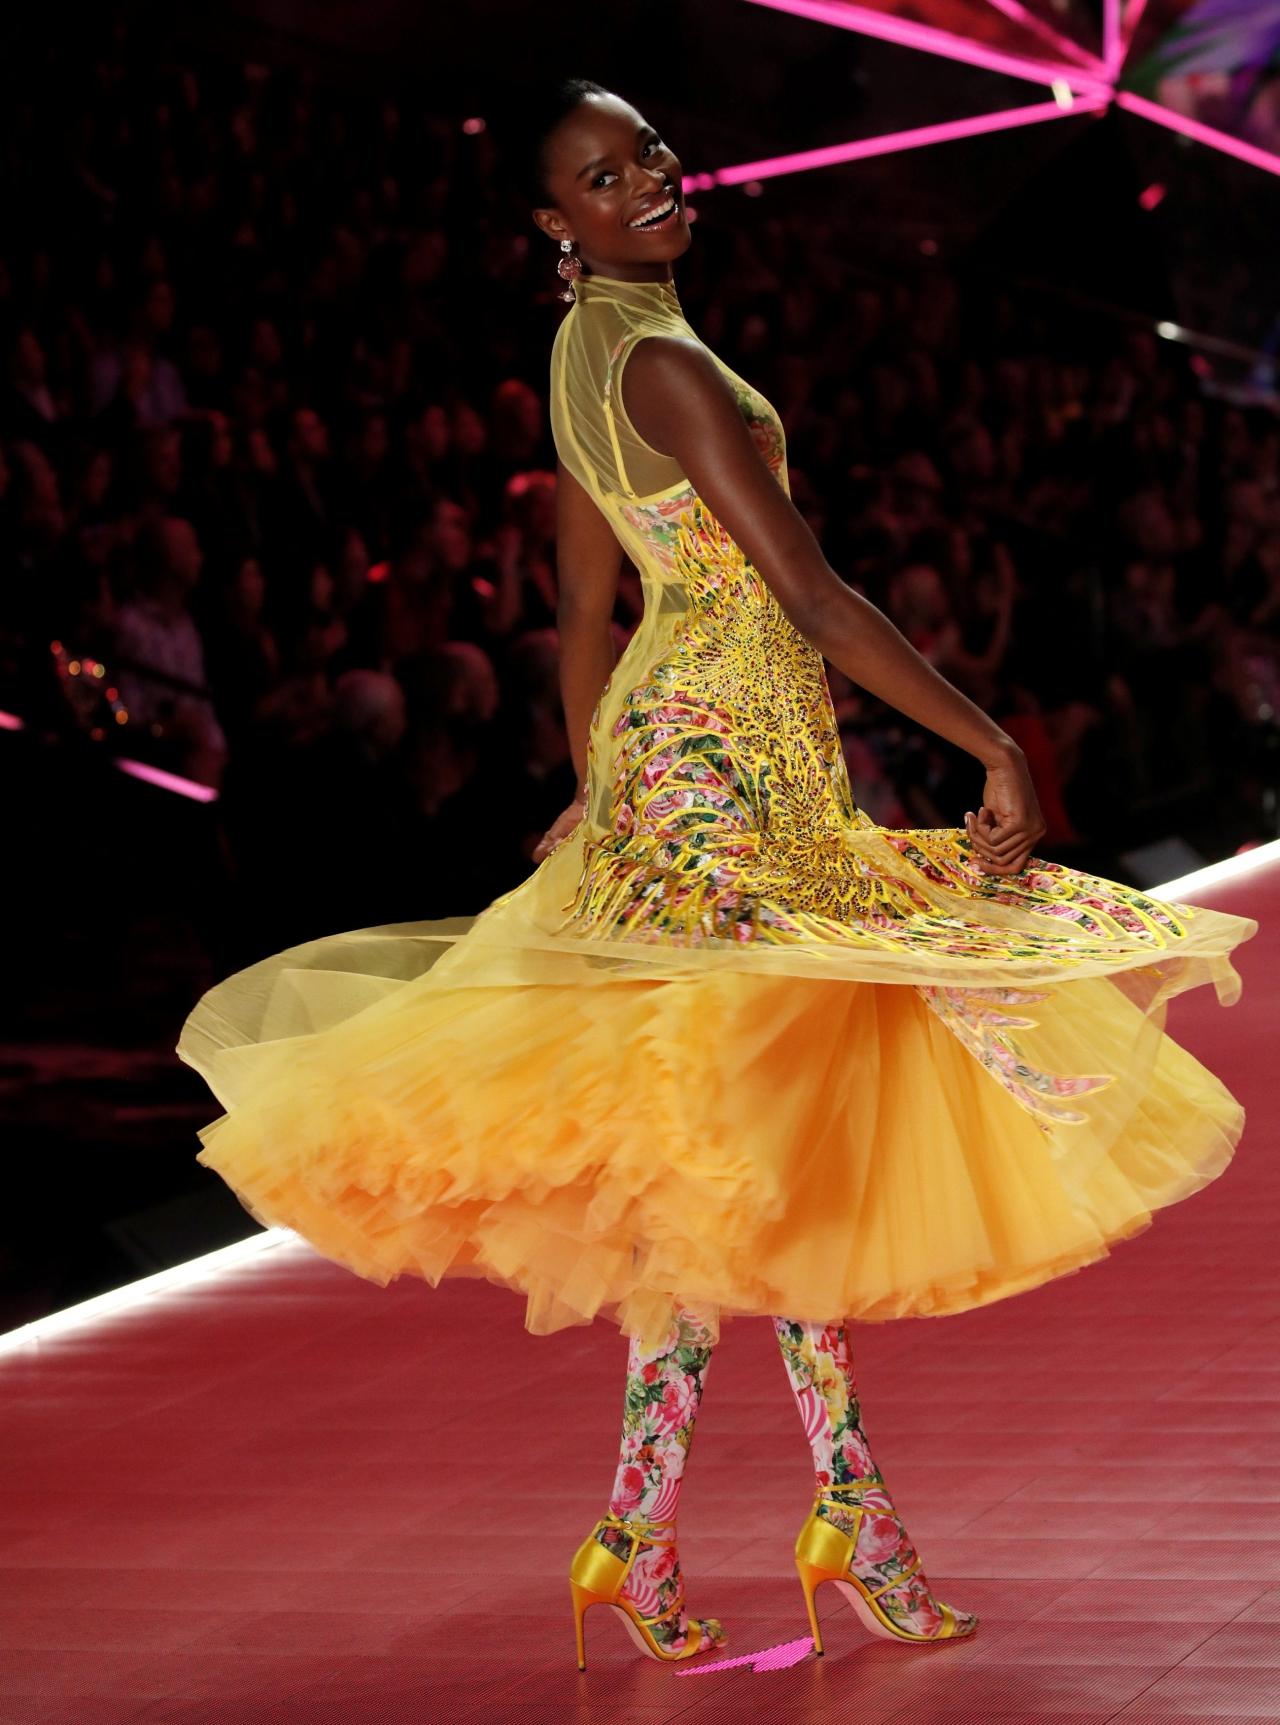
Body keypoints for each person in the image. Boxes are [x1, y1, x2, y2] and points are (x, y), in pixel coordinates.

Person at [176, 78, 1257, 1673]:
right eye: (604, 177)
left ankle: (667, 1532)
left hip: (705, 761)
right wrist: (992, 742)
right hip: (726, 779)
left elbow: (584, 609)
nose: (648, 183)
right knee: (755, 1158)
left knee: (735, 1164)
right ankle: (828, 1522)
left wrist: (598, 776)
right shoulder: (665, 363)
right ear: (556, 221)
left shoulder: (588, 348)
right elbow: (806, 592)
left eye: (652, 155)